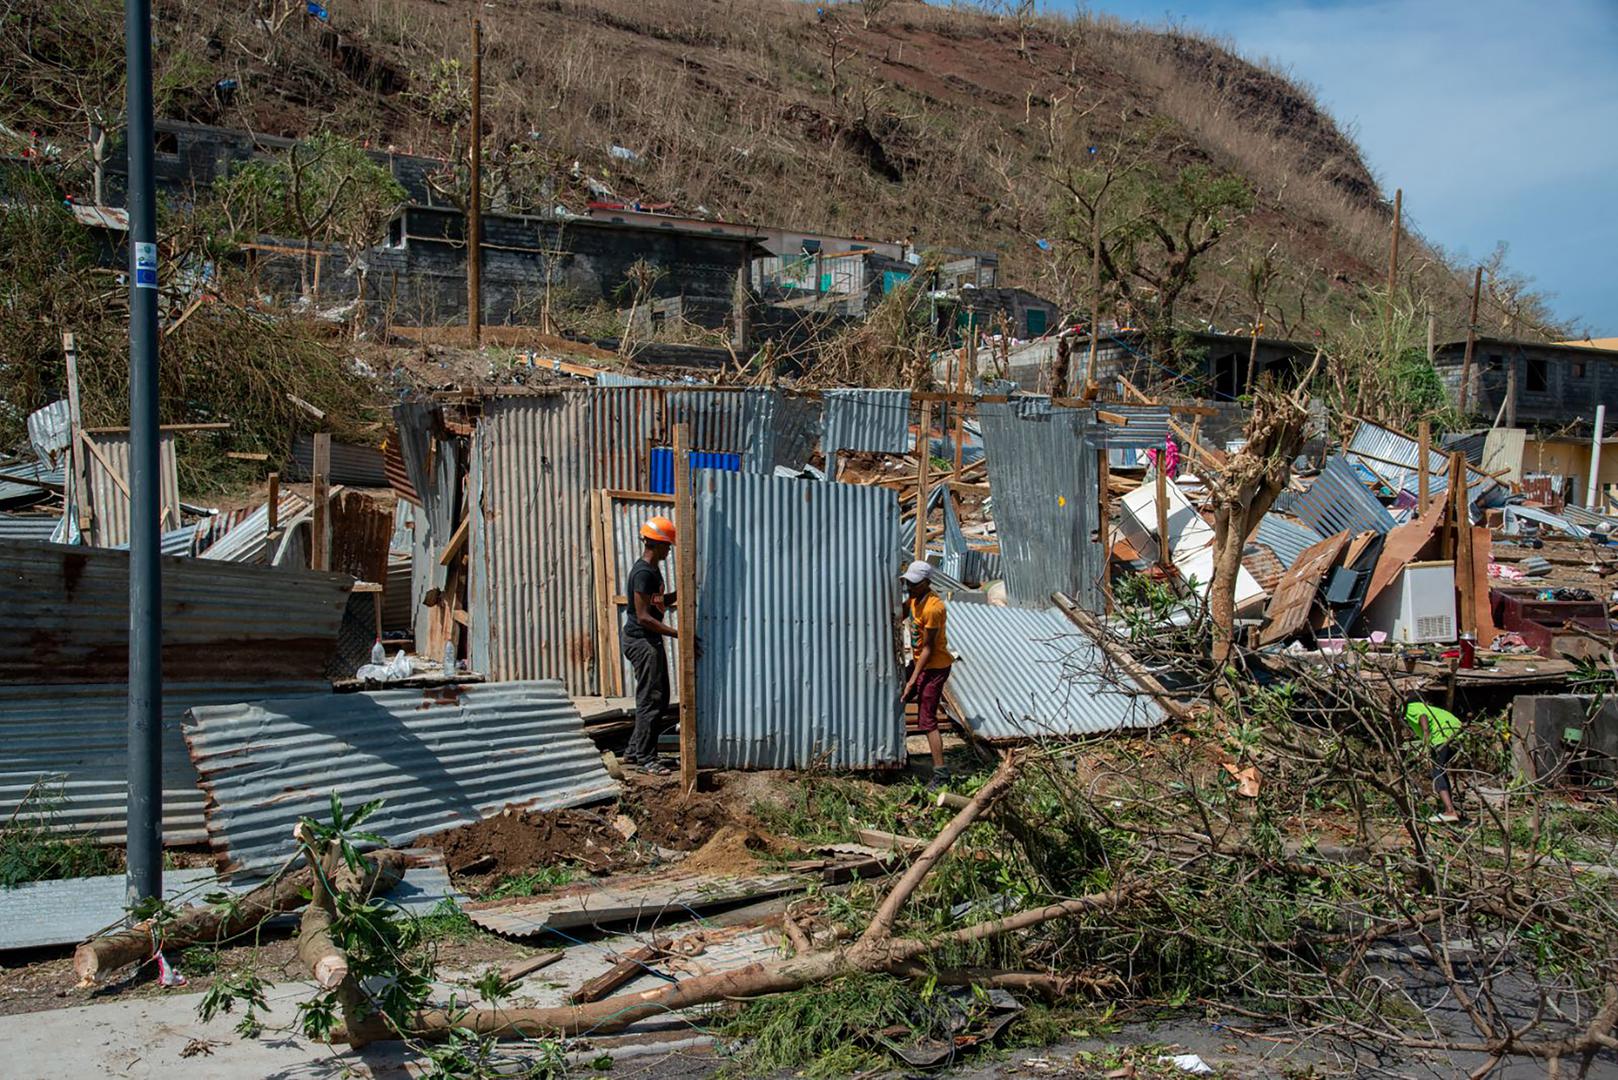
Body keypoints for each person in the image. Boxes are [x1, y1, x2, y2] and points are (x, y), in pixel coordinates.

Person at [622, 516, 678, 776]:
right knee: (651, 700)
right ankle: (646, 758)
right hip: (641, 641)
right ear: (655, 544)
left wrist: (680, 594)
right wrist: (679, 633)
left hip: (647, 640)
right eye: (667, 545)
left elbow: (656, 602)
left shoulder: (652, 571)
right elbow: (644, 616)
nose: (669, 549)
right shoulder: (644, 572)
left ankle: (635, 751)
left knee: (658, 696)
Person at [900, 560, 953, 787]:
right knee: (898, 700)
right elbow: (898, 614)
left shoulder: (934, 608)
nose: (910, 587)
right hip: (920, 663)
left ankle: (941, 774)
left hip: (934, 667)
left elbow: (929, 649)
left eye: (914, 584)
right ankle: (898, 753)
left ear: (927, 583)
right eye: (908, 583)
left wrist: (912, 680)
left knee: (927, 720)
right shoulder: (914, 599)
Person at [1406, 695, 1465, 824]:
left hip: (1442, 736)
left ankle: (1450, 811)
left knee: (1436, 772)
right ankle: (1450, 809)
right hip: (1456, 732)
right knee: (1441, 770)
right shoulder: (1428, 707)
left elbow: (1423, 718)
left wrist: (1425, 747)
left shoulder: (1410, 708)